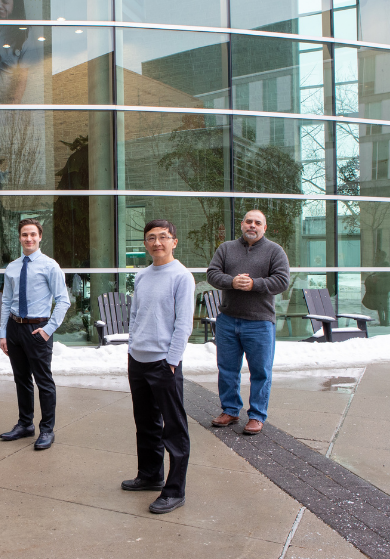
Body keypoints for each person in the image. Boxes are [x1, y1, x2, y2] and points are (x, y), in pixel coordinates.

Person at [121, 220, 195, 515]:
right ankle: (150, 475)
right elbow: (136, 315)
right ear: (145, 244)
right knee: (146, 423)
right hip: (138, 360)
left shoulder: (181, 276)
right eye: (151, 238)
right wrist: (131, 348)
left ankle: (174, 490)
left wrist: (173, 361)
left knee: (174, 429)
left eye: (163, 237)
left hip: (164, 363)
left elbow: (183, 323)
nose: (157, 243)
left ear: (174, 241)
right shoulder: (142, 275)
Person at [206, 210, 290, 435]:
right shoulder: (226, 249)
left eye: (258, 223)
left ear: (264, 227)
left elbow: (282, 281)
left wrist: (255, 284)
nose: (252, 225)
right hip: (228, 320)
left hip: (260, 322)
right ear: (242, 225)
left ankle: (256, 416)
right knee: (227, 369)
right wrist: (232, 281)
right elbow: (212, 274)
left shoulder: (275, 251)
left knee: (260, 371)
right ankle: (231, 410)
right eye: (249, 221)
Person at [0, 219, 70, 450]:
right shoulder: (12, 267)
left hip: (37, 329)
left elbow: (63, 301)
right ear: (19, 237)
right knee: (21, 379)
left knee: (43, 381)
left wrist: (48, 330)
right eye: (24, 235)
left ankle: (47, 429)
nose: (28, 239)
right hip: (15, 328)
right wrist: (3, 333)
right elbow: (6, 301)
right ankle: (25, 424)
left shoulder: (50, 266)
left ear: (40, 237)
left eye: (32, 235)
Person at [362, 250, 390, 326]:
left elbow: (387, 277)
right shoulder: (378, 266)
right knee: (381, 306)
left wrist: (378, 279)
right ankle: (383, 322)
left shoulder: (385, 266)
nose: (377, 258)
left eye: (378, 256)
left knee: (384, 306)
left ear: (383, 257)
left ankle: (385, 322)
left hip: (383, 289)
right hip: (379, 289)